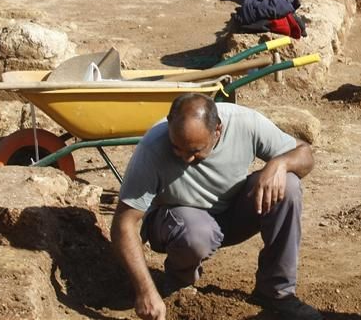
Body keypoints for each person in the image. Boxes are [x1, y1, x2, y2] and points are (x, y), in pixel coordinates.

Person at [111, 94, 321, 320]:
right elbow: (124, 222)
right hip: (179, 225)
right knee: (196, 232)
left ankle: (276, 293)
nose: (185, 158)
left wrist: (281, 163)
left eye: (195, 150)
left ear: (217, 131)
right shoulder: (152, 148)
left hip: (231, 213)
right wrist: (145, 290)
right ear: (170, 124)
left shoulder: (244, 123)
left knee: (288, 185)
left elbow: (304, 153)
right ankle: (179, 283)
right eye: (176, 148)